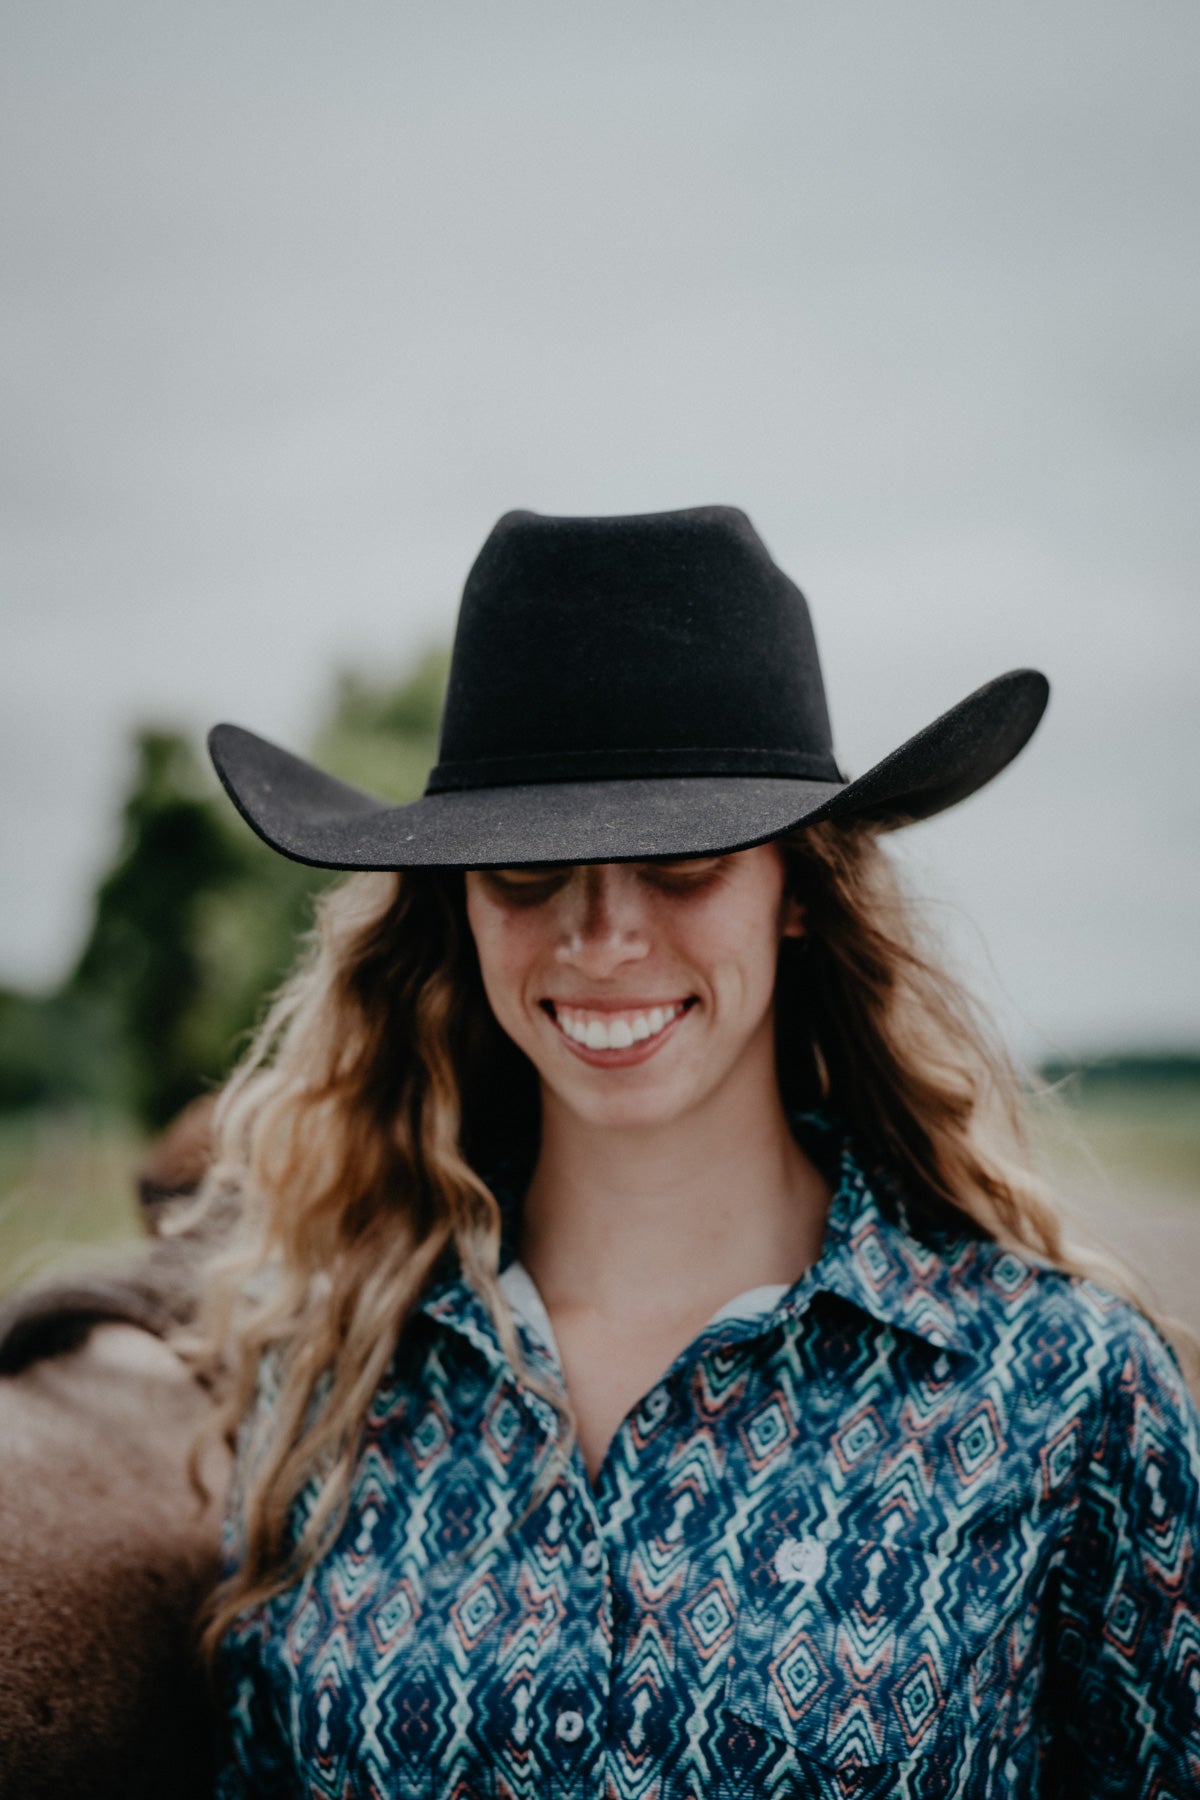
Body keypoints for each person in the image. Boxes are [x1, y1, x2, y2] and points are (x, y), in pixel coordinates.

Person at [195, 506, 1200, 1799]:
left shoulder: (1059, 1391)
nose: (603, 935)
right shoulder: (331, 1380)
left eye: (684, 862)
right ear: (455, 903)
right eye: (522, 872)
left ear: (798, 890)